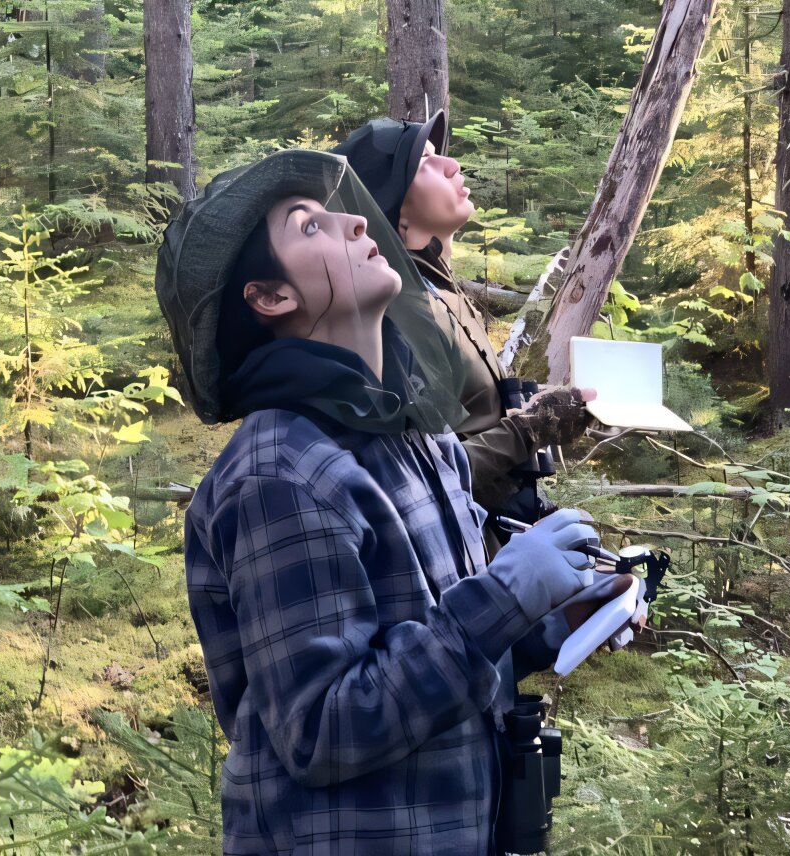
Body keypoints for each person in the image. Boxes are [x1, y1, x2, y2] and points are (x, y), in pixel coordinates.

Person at [154, 148, 631, 855]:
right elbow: (322, 730)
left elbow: (437, 648)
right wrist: (503, 594)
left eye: (336, 212)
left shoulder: (417, 439)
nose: (353, 221)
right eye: (308, 226)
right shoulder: (281, 473)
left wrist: (552, 622)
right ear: (271, 297)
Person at [331, 112, 591, 519]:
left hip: (501, 530)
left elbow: (471, 417)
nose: (452, 164)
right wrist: (528, 429)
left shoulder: (440, 288)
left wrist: (543, 408)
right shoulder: (398, 315)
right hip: (472, 544)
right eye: (423, 161)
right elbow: (420, 479)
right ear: (394, 210)